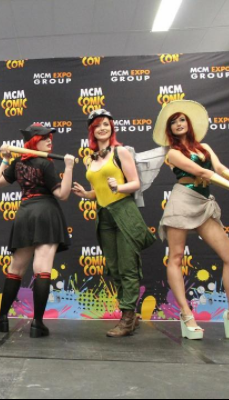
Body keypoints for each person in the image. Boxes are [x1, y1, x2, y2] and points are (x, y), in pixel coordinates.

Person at [154, 100, 229, 341]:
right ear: (169, 129)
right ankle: (186, 314)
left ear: (188, 123)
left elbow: (218, 168)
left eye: (182, 119)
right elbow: (201, 172)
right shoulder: (173, 153)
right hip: (182, 200)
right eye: (173, 122)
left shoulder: (205, 147)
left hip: (203, 202)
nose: (179, 124)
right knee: (176, 257)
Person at [72, 109, 156, 337]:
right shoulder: (91, 159)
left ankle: (127, 318)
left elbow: (135, 183)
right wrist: (85, 194)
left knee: (128, 267)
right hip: (104, 216)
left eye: (106, 124)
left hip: (124, 212)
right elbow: (98, 192)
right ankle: (130, 315)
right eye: (97, 125)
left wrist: (118, 186)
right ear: (91, 130)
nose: (102, 128)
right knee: (115, 267)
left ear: (112, 128)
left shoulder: (121, 152)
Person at [0, 124, 76, 338]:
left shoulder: (18, 163)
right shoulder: (46, 164)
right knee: (42, 268)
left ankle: (1, 319)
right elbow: (63, 194)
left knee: (15, 269)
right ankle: (37, 324)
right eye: (44, 138)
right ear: (33, 142)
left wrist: (5, 160)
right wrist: (69, 168)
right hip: (46, 213)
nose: (49, 141)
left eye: (49, 138)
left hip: (25, 214)